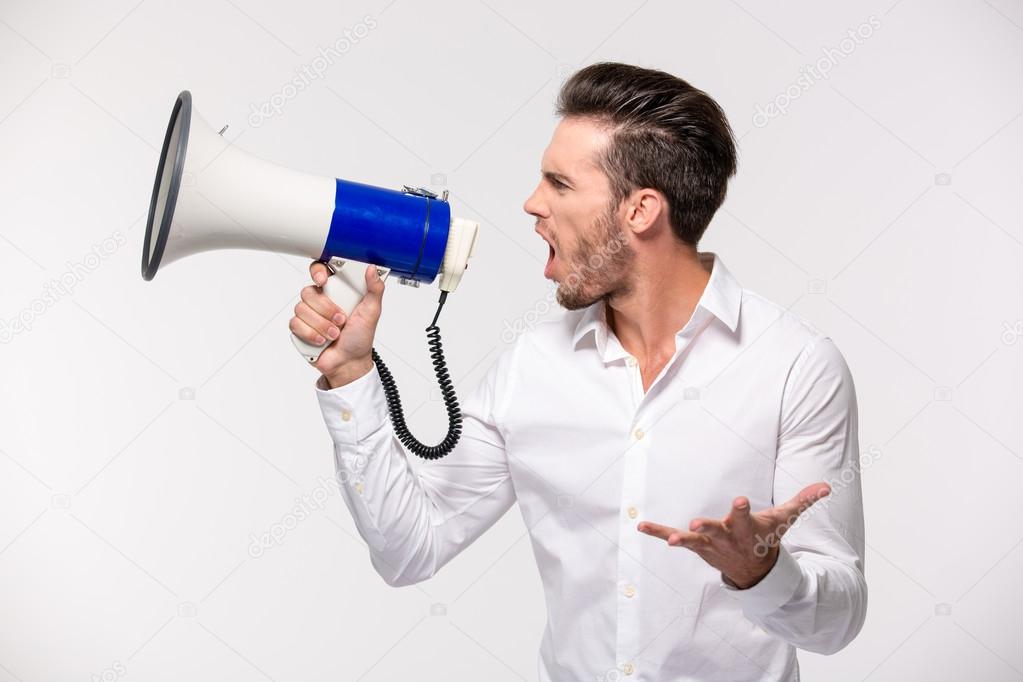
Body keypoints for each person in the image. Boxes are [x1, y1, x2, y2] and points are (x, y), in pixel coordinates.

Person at [289, 62, 866, 681]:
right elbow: (409, 549)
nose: (532, 203)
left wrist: (761, 570)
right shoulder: (530, 368)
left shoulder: (796, 366)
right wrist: (351, 374)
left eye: (559, 184)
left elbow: (837, 624)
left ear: (640, 210)